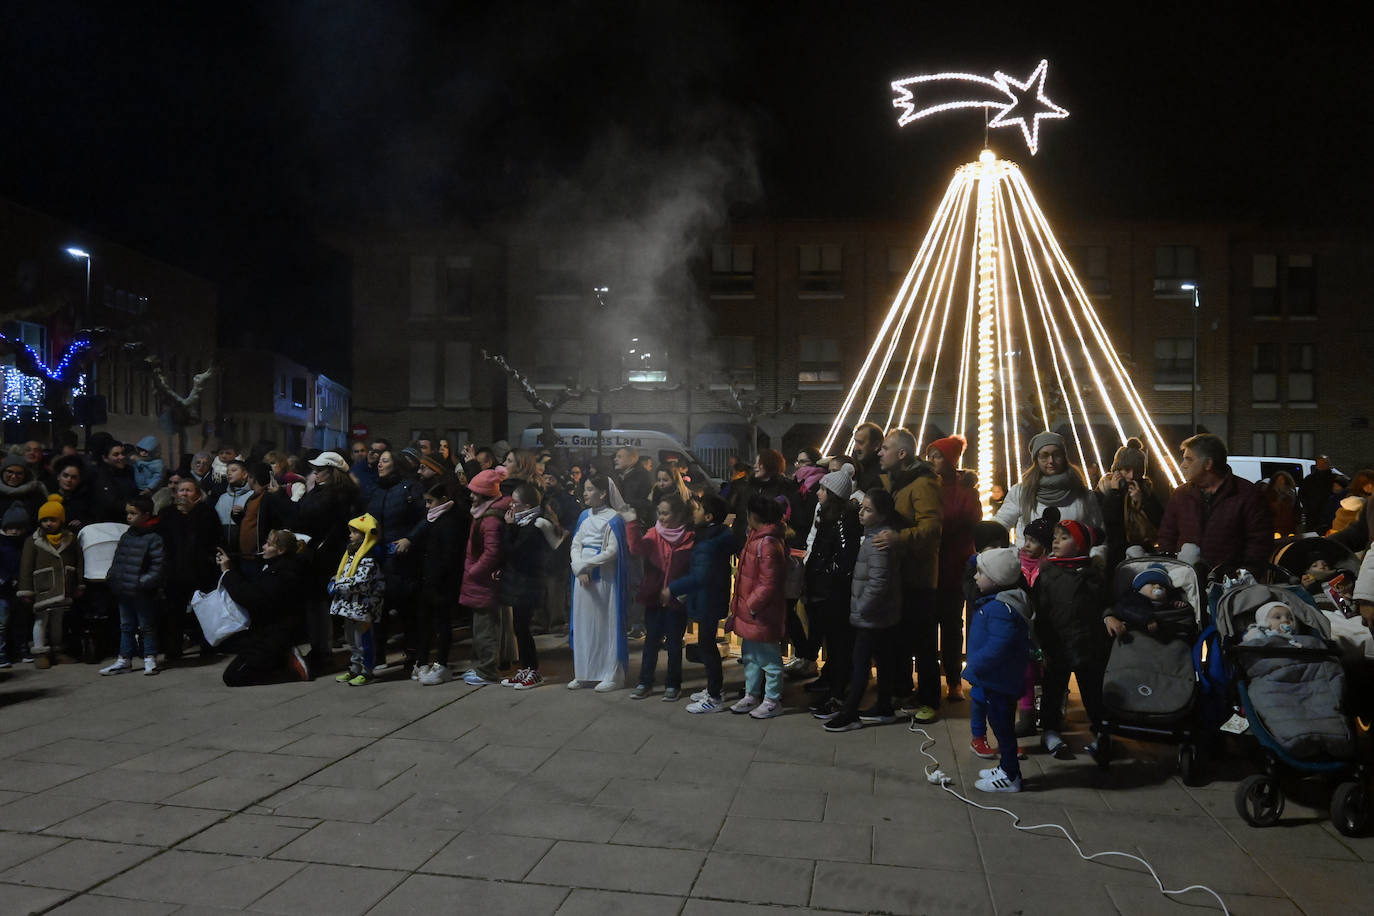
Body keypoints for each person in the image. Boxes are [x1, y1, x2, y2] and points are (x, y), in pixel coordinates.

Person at [873, 427, 943, 723]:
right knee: (901, 637)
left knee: (923, 641)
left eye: (885, 447)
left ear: (902, 454)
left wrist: (898, 538)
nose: (880, 451)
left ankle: (929, 698)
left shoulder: (922, 484)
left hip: (918, 577)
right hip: (900, 575)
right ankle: (905, 691)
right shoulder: (898, 482)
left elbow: (932, 528)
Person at [823, 489, 904, 732]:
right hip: (880, 613)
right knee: (882, 658)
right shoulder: (873, 536)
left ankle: (849, 713)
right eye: (862, 507)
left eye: (868, 510)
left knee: (860, 663)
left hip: (872, 615)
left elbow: (879, 581)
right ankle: (884, 706)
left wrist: (862, 607)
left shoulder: (878, 542)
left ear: (881, 515)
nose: (861, 513)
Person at [1033, 518, 1108, 760]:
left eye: (1064, 538)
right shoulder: (1046, 573)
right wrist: (1039, 641)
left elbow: (1106, 603)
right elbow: (1040, 610)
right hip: (1056, 642)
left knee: (1092, 691)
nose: (1056, 541)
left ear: (1080, 546)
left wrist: (1109, 616)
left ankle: (1101, 730)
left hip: (1087, 643)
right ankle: (1051, 730)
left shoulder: (1092, 575)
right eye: (1055, 537)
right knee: (1053, 689)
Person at [278, 452, 360, 673]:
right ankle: (320, 648)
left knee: (322, 605)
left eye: (320, 469)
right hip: (315, 555)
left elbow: (308, 515)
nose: (315, 473)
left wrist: (285, 500)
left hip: (326, 556)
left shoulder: (338, 494)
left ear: (333, 472)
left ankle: (325, 651)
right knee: (316, 605)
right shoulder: (322, 490)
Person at [963, 546, 1033, 793]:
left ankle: (1011, 775)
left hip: (1000, 680)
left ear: (996, 579)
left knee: (1003, 729)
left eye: (980, 573)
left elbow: (999, 646)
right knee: (999, 725)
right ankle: (1005, 767)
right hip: (996, 679)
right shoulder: (996, 603)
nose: (975, 577)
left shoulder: (1001, 609)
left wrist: (975, 667)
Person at [1156, 434, 1272, 571]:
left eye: (1189, 459)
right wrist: (1171, 571)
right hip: (1186, 581)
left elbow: (1259, 542)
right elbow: (1167, 536)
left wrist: (1245, 575)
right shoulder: (1180, 495)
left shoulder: (1247, 495)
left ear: (1208, 464)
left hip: (1230, 584)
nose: (1183, 465)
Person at [669, 494, 739, 714]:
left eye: (698, 509)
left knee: (707, 647)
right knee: (706, 645)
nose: (694, 512)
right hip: (707, 596)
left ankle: (715, 696)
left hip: (708, 597)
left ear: (708, 516)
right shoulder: (711, 535)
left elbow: (700, 574)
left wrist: (675, 589)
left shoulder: (710, 541)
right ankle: (713, 689)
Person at [801, 465, 862, 715]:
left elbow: (844, 558)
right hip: (824, 590)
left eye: (823, 489)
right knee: (833, 644)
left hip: (833, 593)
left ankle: (838, 695)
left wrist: (824, 575)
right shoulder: (828, 517)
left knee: (839, 646)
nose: (818, 493)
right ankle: (833, 690)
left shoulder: (842, 520)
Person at [217, 530, 311, 685]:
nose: (264, 546)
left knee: (234, 676)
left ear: (280, 550)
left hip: (275, 634)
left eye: (269, 544)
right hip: (266, 632)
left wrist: (227, 572)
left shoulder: (283, 572)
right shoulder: (275, 566)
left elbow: (249, 596)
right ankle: (282, 658)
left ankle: (293, 671)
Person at [625, 492, 695, 701]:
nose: (662, 517)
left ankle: (673, 684)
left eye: (666, 514)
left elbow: (692, 572)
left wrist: (681, 593)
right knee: (651, 642)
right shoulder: (654, 533)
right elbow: (636, 548)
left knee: (674, 644)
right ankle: (645, 682)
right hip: (654, 597)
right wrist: (631, 524)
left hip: (677, 600)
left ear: (679, 515)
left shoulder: (690, 539)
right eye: (659, 513)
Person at [926, 435, 980, 703]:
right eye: (930, 456)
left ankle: (954, 679)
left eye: (937, 456)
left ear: (950, 460)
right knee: (927, 623)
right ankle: (930, 680)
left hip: (954, 564)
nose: (932, 461)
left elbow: (972, 521)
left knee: (950, 624)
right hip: (929, 564)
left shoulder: (965, 490)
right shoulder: (926, 485)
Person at [728, 494, 789, 719]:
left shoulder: (768, 543)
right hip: (750, 611)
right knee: (751, 656)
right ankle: (752, 694)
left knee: (770, 658)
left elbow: (769, 583)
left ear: (754, 517)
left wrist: (752, 606)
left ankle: (772, 699)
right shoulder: (757, 538)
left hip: (760, 612)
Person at [366, 448, 426, 671]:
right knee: (378, 608)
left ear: (396, 464)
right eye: (379, 461)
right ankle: (378, 655)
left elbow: (424, 518)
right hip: (378, 556)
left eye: (385, 461)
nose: (379, 464)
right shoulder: (376, 490)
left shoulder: (410, 487)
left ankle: (414, 654)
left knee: (407, 608)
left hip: (401, 558)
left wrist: (409, 539)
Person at [567, 475, 630, 691]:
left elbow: (613, 551)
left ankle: (610, 673)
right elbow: (575, 543)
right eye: (584, 489)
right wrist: (578, 566)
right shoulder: (583, 516)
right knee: (584, 623)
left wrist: (586, 565)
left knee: (605, 624)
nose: (585, 493)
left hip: (604, 579)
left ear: (603, 493)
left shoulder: (614, 519)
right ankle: (584, 671)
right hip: (583, 579)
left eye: (590, 489)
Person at [499, 481, 561, 689]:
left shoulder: (534, 526)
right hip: (522, 582)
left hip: (529, 584)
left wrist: (508, 528)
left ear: (526, 506)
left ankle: (533, 670)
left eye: (514, 503)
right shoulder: (526, 523)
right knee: (519, 626)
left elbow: (513, 552)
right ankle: (526, 668)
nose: (511, 507)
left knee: (522, 627)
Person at [994, 431, 1103, 546]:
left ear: (1064, 457)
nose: (1051, 461)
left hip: (1071, 562)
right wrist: (1014, 554)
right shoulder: (1021, 492)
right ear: (1036, 459)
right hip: (1031, 562)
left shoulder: (1083, 494)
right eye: (1044, 456)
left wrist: (1095, 558)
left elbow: (1097, 534)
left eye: (1057, 454)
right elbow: (999, 526)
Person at [158, 478, 224, 659]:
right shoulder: (167, 513)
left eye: (188, 490)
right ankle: (173, 648)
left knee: (203, 611)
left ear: (197, 494)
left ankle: (207, 646)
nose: (184, 494)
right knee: (173, 613)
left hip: (201, 571)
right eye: (181, 490)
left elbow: (215, 538)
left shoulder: (207, 513)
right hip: (174, 572)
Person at [100, 495, 166, 676]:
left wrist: (142, 582)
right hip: (124, 589)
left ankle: (150, 657)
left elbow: (157, 566)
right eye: (128, 513)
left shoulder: (153, 537)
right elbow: (118, 559)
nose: (129, 517)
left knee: (146, 625)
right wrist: (112, 577)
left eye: (133, 513)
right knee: (126, 625)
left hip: (142, 591)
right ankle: (124, 659)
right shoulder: (127, 535)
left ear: (146, 515)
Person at [17, 495, 84, 668]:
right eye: (45, 520)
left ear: (60, 520)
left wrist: (79, 583)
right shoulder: (32, 541)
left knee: (58, 620)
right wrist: (26, 590)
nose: (48, 523)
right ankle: (40, 652)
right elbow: (26, 566)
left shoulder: (70, 538)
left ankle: (57, 650)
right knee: (41, 620)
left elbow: (79, 561)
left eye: (53, 520)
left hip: (64, 586)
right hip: (43, 588)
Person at [458, 467, 509, 686]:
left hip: (482, 581)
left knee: (485, 630)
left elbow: (492, 553)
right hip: (478, 581)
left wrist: (474, 571)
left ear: (485, 495)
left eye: (474, 492)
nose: (471, 496)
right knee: (481, 628)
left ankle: (487, 671)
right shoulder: (485, 514)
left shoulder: (490, 520)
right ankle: (481, 667)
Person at [414, 480, 467, 686]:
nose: (427, 506)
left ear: (444, 500)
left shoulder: (451, 521)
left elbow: (449, 557)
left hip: (441, 583)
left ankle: (441, 663)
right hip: (429, 580)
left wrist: (437, 578)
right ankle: (421, 662)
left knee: (442, 623)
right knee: (425, 623)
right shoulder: (434, 518)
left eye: (430, 501)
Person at [330, 514, 385, 686]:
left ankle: (367, 670)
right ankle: (355, 668)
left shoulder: (369, 557)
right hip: (350, 606)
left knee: (363, 641)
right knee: (352, 641)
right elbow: (346, 574)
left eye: (354, 532)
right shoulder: (352, 553)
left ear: (365, 535)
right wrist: (335, 579)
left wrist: (338, 584)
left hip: (363, 607)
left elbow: (361, 582)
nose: (350, 535)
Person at [0, 503, 28, 666]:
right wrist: (7, 578)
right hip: (3, 590)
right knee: (2, 624)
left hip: (18, 589)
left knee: (20, 621)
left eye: (19, 528)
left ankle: (21, 649)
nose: (15, 531)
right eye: (11, 527)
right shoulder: (2, 543)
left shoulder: (23, 543)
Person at [49, 456, 95, 534]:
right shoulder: (49, 496)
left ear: (79, 480)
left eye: (74, 477)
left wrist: (82, 523)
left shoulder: (86, 499)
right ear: (58, 477)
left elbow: (92, 520)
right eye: (65, 476)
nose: (69, 480)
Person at [0, 454, 47, 527]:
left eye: (19, 473)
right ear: (2, 472)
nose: (14, 476)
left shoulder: (35, 494)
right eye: (10, 472)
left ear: (25, 475)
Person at [1263, 471, 1301, 539]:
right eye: (1279, 479)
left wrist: (1297, 521)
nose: (1281, 481)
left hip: (1289, 524)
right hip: (1275, 524)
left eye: (1283, 479)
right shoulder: (1269, 493)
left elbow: (1296, 508)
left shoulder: (1291, 493)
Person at [851, 421, 886, 493]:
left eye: (860, 443)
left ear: (876, 445)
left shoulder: (884, 476)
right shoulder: (854, 467)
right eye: (855, 442)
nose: (855, 448)